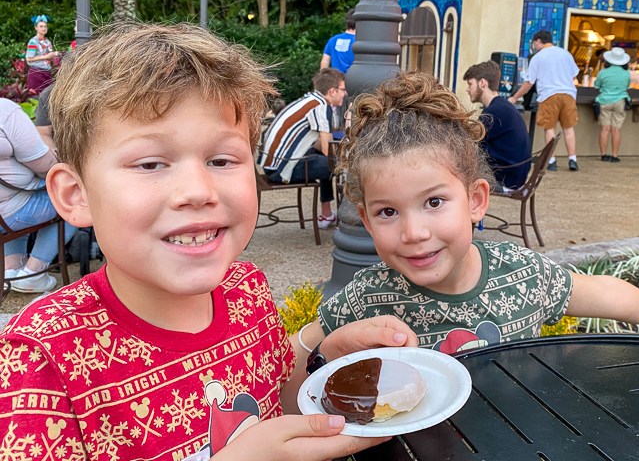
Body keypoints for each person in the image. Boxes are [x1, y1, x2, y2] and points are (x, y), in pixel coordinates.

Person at [0, 23, 418, 461]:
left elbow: (273, 392)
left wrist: (324, 347)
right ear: (76, 195)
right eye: (150, 164)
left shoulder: (245, 288)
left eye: (221, 160)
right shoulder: (38, 358)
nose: (198, 191)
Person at [304, 72, 639, 353]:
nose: (414, 232)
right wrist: (323, 352)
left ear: (475, 201)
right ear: (367, 220)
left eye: (434, 202)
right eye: (388, 211)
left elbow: (604, 293)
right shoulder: (367, 296)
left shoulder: (521, 273)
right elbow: (292, 357)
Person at [0, 98, 77, 293]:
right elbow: (45, 167)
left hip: (6, 211)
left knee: (16, 195)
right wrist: (53, 155)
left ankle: (13, 268)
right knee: (78, 197)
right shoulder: (5, 111)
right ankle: (34, 273)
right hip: (12, 211)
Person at [259, 68, 347, 228]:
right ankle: (349, 221)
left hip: (272, 165)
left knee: (328, 161)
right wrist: (347, 155)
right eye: (343, 89)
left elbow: (316, 144)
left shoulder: (309, 100)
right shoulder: (322, 106)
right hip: (282, 170)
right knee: (342, 166)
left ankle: (326, 215)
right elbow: (328, 151)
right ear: (332, 91)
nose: (345, 94)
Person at [508, 30, 580, 172]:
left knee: (550, 128)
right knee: (568, 128)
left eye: (534, 43)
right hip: (568, 95)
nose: (534, 46)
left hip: (549, 95)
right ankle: (573, 160)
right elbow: (574, 77)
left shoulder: (538, 57)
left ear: (538, 41)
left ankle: (551, 161)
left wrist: (514, 98)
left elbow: (529, 83)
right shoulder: (566, 54)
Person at [463, 60, 531, 190]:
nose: (467, 89)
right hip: (514, 176)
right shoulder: (502, 107)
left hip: (505, 179)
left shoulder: (495, 111)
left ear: (482, 83)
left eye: (470, 84)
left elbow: (468, 137)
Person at [594, 48, 631, 163]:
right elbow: (628, 86)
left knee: (605, 129)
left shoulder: (603, 72)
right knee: (616, 130)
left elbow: (596, 85)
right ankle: (615, 155)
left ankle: (603, 155)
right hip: (620, 101)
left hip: (605, 101)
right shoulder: (626, 73)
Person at [25, 15, 62, 94]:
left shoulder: (47, 42)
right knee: (36, 97)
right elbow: (28, 58)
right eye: (41, 26)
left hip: (47, 72)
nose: (43, 28)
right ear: (36, 28)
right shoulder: (33, 42)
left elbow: (49, 56)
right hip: (36, 73)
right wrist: (46, 56)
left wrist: (55, 54)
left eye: (45, 26)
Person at [320, 8, 356, 74]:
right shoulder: (359, 42)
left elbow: (324, 65)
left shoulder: (333, 40)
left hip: (336, 79)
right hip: (354, 79)